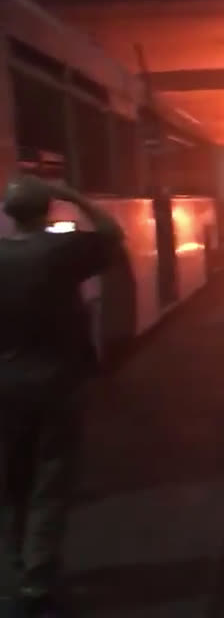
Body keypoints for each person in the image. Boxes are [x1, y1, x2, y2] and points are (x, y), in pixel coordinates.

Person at [0, 175, 123, 617]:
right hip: (57, 384)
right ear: (47, 209)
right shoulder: (61, 250)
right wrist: (70, 194)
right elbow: (110, 233)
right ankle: (37, 578)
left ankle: (16, 567)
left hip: (6, 387)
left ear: (9, 214)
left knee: (13, 481)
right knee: (49, 481)